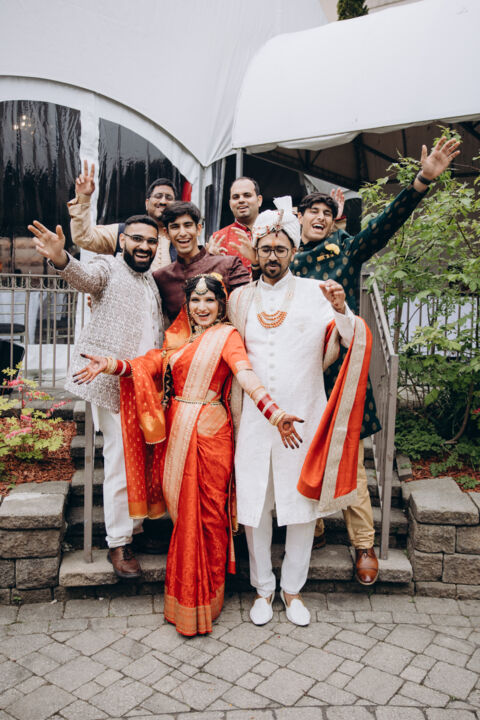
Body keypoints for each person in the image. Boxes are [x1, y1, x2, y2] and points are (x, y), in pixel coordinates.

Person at [73, 273, 302, 636]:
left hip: (212, 435)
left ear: (221, 305)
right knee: (184, 519)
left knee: (208, 518)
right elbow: (146, 365)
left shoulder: (227, 336)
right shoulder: (177, 341)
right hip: (177, 434)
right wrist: (111, 365)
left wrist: (274, 413)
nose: (202, 307)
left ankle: (206, 599)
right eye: (195, 300)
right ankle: (184, 599)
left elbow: (245, 375)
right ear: (187, 305)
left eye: (209, 300)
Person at [292, 136, 461, 585]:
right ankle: (315, 527)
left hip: (344, 373)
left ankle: (364, 544)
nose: (319, 217)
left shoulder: (348, 249)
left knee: (351, 460)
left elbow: (387, 224)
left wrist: (422, 180)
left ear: (335, 219)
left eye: (327, 211)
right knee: (304, 453)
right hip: (300, 373)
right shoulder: (284, 261)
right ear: (299, 217)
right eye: (312, 211)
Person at [228, 198, 371, 626]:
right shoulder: (239, 298)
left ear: (293, 251)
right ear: (255, 252)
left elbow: (350, 340)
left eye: (280, 249)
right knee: (255, 506)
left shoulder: (315, 292)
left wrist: (342, 309)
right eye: (265, 249)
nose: (273, 256)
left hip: (305, 413)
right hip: (254, 419)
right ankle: (262, 589)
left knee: (302, 508)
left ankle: (292, 591)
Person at [28, 214, 164, 579]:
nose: (144, 246)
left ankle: (136, 528)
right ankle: (118, 542)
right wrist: (61, 258)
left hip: (144, 385)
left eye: (151, 241)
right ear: (122, 242)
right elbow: (85, 279)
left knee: (142, 461)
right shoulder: (109, 267)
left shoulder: (150, 279)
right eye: (137, 239)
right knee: (119, 462)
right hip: (111, 383)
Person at [68, 159, 178, 269]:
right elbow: (83, 238)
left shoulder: (183, 236)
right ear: (147, 203)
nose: (163, 201)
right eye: (158, 196)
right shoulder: (123, 231)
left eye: (169, 198)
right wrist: (84, 198)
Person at [153, 201, 251, 324]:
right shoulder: (161, 278)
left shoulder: (228, 265)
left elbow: (250, 305)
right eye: (175, 227)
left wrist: (256, 264)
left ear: (198, 229)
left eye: (188, 225)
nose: (182, 233)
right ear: (166, 233)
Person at [207, 176, 263, 271]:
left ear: (259, 200)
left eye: (247, 195)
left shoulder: (274, 231)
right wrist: (210, 262)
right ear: (230, 204)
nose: (241, 200)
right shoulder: (218, 239)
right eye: (235, 197)